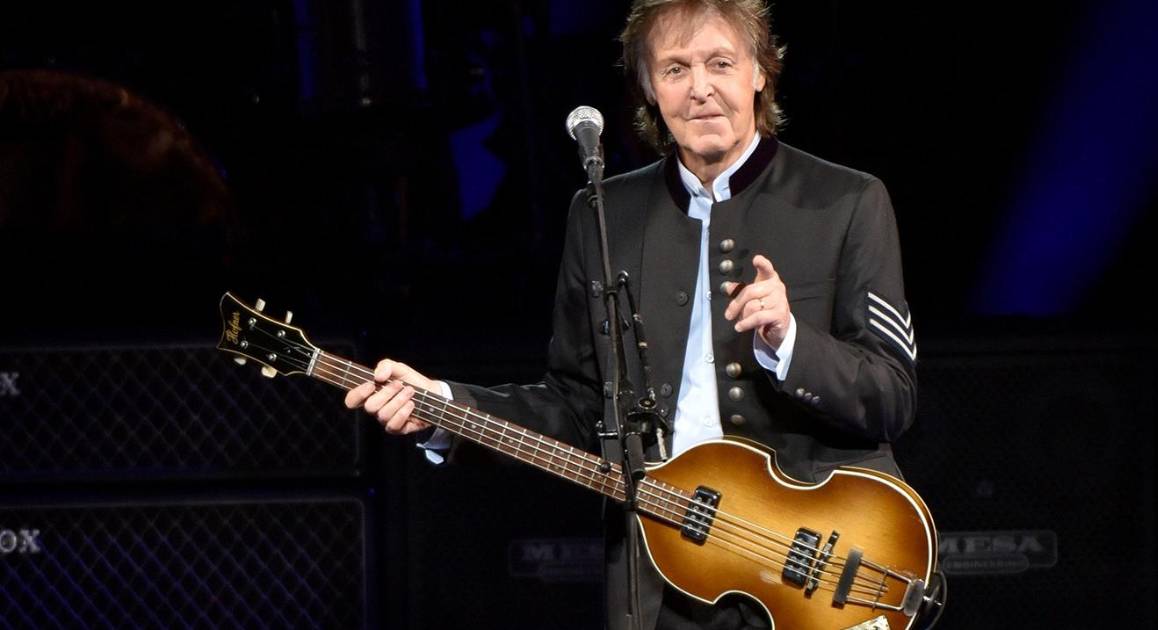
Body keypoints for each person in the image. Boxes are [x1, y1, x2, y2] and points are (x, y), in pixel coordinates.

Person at [346, 0, 918, 627]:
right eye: (674, 69)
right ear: (649, 87)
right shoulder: (603, 214)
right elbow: (576, 405)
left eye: (720, 63)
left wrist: (790, 341)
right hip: (661, 584)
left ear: (760, 71)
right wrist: (444, 406)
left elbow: (892, 398)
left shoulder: (848, 201)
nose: (699, 88)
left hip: (812, 576)